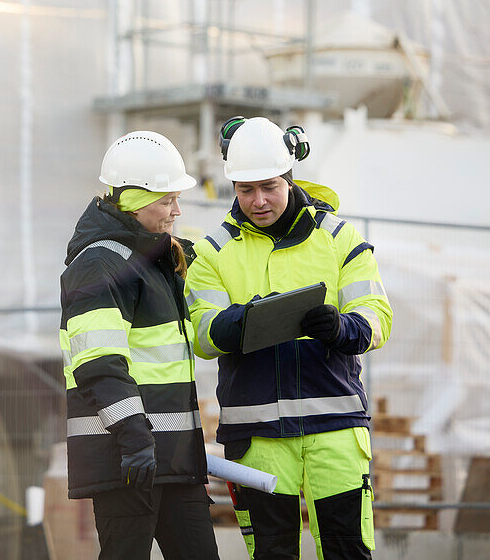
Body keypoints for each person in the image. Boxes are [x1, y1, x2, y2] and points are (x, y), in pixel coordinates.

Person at [185, 116, 392, 559]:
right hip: (257, 437)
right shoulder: (213, 251)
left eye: (269, 187)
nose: (258, 201)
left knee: (347, 551)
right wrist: (241, 323)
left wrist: (343, 328)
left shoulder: (339, 238)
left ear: (290, 178)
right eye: (245, 190)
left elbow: (377, 317)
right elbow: (201, 333)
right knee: (273, 554)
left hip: (334, 429)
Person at [60, 130, 220, 560]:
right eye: (167, 201)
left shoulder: (154, 258)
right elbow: (99, 363)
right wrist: (134, 439)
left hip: (171, 459)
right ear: (132, 200)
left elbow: (217, 256)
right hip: (129, 459)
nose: (177, 210)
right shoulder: (99, 263)